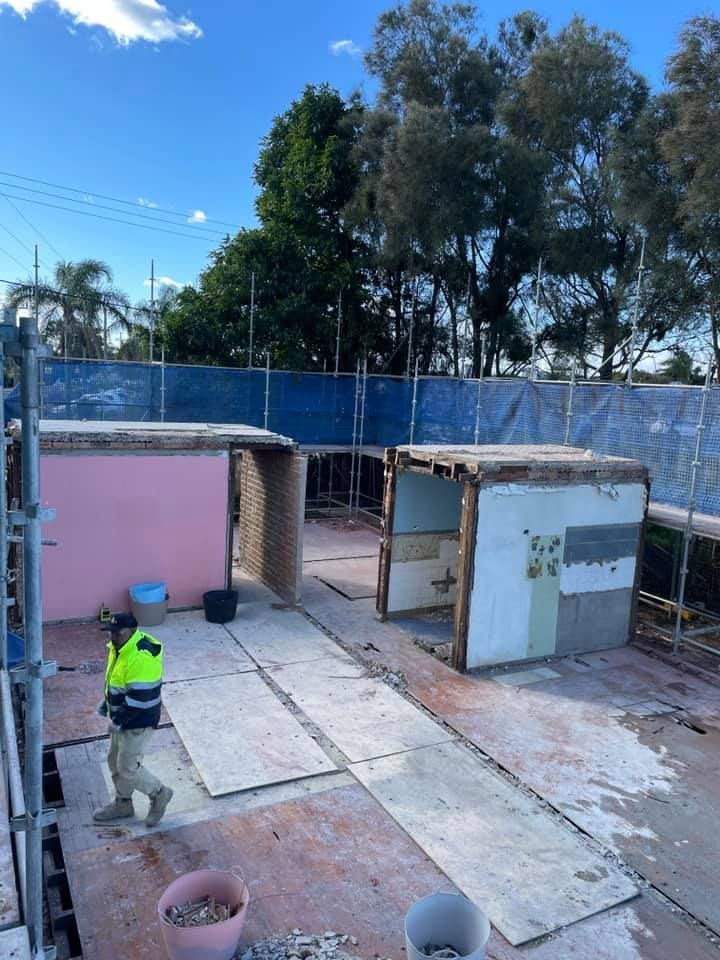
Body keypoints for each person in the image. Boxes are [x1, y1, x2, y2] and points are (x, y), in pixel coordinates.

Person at [93, 613, 173, 827]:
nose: (112, 637)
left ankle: (159, 793)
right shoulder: (119, 648)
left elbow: (141, 699)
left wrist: (119, 720)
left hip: (138, 721)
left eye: (117, 633)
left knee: (128, 768)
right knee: (114, 761)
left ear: (130, 632)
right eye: (111, 632)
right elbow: (119, 682)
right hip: (124, 716)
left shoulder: (140, 657)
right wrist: (107, 703)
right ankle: (123, 804)